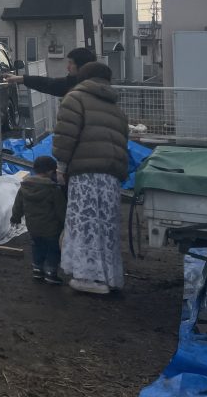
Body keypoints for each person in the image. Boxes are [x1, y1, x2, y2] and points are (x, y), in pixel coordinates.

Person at [52, 61, 129, 295]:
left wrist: (61, 166)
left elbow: (66, 135)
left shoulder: (75, 98)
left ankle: (89, 277)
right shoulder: (115, 107)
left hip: (85, 172)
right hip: (111, 175)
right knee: (106, 226)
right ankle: (109, 277)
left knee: (84, 222)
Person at [10, 156, 67, 285]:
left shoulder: (25, 187)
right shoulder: (53, 189)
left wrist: (15, 218)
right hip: (52, 229)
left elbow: (18, 205)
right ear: (50, 171)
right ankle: (51, 273)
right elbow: (60, 209)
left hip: (33, 227)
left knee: (37, 247)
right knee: (53, 250)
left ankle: (37, 269)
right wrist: (66, 224)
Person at [4, 47, 95, 98]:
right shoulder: (79, 83)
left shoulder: (83, 91)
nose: (68, 67)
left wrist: (21, 79)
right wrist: (21, 79)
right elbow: (49, 83)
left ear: (81, 66)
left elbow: (50, 84)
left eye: (71, 63)